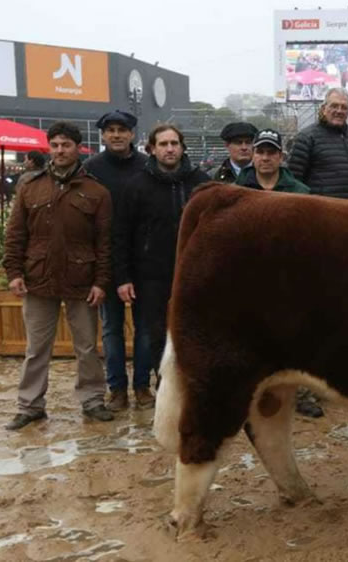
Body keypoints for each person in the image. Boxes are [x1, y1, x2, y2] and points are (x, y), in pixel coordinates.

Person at [2, 122, 115, 430]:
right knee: (36, 348)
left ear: (78, 148)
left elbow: (105, 243)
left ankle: (92, 400)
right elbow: (15, 235)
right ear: (48, 148)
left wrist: (101, 282)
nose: (60, 150)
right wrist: (13, 272)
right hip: (38, 278)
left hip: (83, 279)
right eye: (55, 145)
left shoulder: (97, 191)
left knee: (87, 347)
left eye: (66, 145)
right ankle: (30, 405)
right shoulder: (30, 186)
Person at [113, 124, 210, 411]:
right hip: (149, 274)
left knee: (194, 331)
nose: (169, 149)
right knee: (150, 333)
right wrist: (123, 277)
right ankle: (160, 385)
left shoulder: (200, 183)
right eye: (163, 144)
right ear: (152, 149)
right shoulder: (136, 185)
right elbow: (121, 234)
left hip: (194, 273)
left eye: (174, 143)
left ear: (182, 147)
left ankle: (193, 386)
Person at [83, 110, 149, 412]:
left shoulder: (147, 166)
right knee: (111, 328)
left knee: (145, 328)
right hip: (106, 258)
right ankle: (117, 388)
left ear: (132, 134)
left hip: (144, 257)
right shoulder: (91, 168)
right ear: (103, 135)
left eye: (122, 129)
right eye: (110, 130)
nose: (117, 135)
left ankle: (142, 387)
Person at [287, 88, 348, 200]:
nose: (339, 111)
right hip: (320, 212)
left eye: (344, 107)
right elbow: (293, 181)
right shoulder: (307, 137)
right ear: (324, 109)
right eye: (334, 106)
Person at [236, 129, 310, 193]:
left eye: (271, 152)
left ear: (281, 157)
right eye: (260, 152)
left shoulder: (299, 192)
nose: (265, 158)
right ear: (252, 156)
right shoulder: (237, 190)